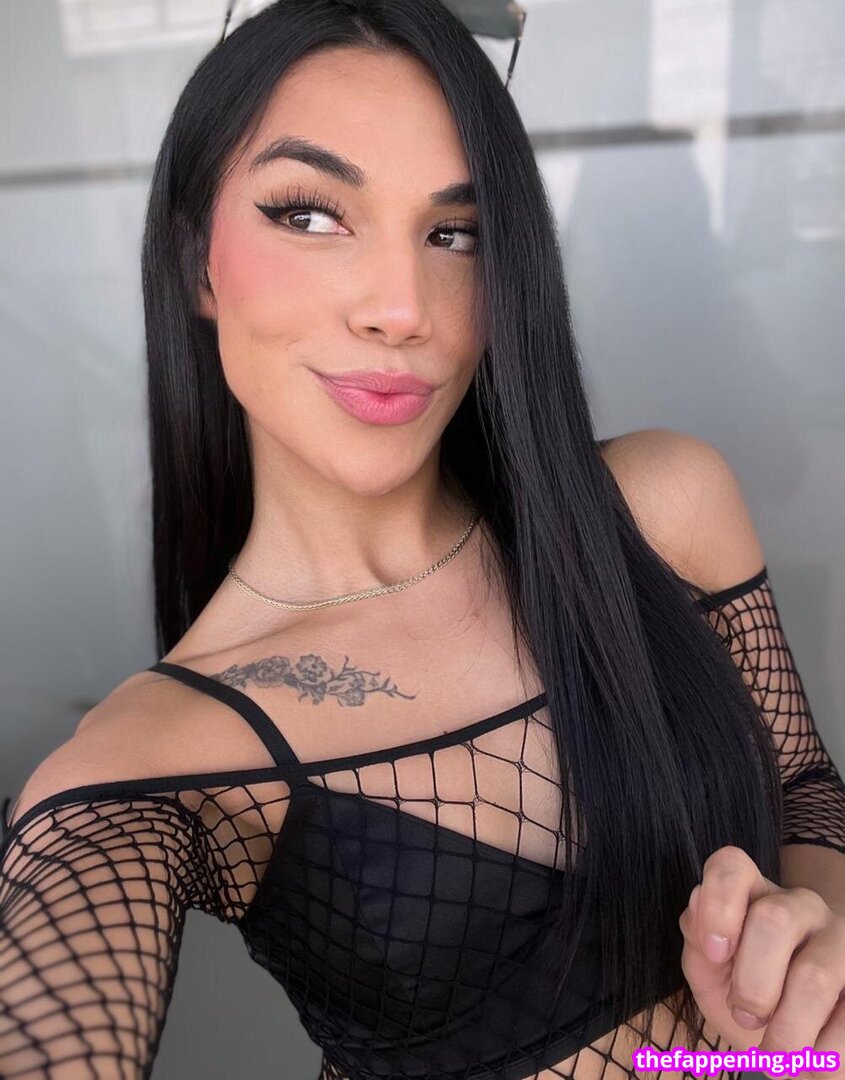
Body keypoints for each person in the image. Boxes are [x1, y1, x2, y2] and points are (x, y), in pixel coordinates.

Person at [1, 2, 844, 1078]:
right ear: (194, 260)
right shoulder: (155, 756)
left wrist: (810, 947)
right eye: (310, 215)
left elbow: (801, 783)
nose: (403, 309)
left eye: (455, 232)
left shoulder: (659, 509)